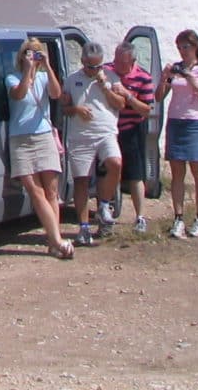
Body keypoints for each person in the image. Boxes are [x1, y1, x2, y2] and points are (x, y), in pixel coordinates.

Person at [5, 37, 73, 259]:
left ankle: (54, 241)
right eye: (29, 52)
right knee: (36, 192)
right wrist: (27, 71)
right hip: (20, 139)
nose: (33, 56)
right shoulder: (12, 77)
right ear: (21, 56)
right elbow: (19, 94)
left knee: (51, 192)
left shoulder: (44, 77)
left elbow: (56, 94)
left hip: (43, 136)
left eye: (36, 52)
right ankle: (57, 241)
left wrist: (48, 66)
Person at [60, 41, 125, 246]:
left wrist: (105, 87)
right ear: (82, 62)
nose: (94, 70)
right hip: (81, 136)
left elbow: (121, 104)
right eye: (90, 66)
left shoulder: (111, 77)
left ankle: (104, 205)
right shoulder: (72, 80)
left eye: (98, 66)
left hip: (105, 132)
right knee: (81, 180)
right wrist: (77, 109)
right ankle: (84, 227)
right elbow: (64, 108)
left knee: (115, 163)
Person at [158, 29, 198, 239]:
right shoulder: (176, 69)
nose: (183, 51)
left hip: (195, 122)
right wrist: (164, 77)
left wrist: (194, 83)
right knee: (177, 173)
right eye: (180, 47)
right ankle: (178, 218)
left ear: (195, 47)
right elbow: (158, 97)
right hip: (176, 121)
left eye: (186, 46)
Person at [112, 40, 156, 233]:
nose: (118, 66)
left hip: (132, 128)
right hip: (109, 128)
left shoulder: (143, 78)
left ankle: (140, 217)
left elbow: (147, 110)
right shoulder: (107, 71)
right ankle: (108, 213)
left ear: (132, 61)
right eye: (116, 60)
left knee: (136, 174)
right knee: (109, 172)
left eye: (122, 62)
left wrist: (128, 96)